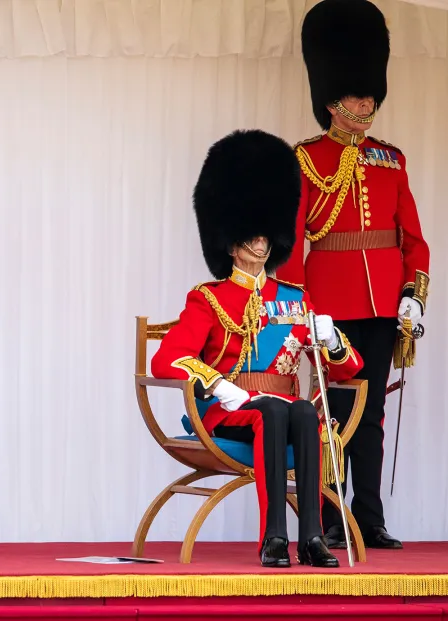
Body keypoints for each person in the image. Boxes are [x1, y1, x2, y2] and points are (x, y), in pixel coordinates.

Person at [151, 129, 364, 568]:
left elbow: (346, 370)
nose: (262, 243)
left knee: (302, 410)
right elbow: (167, 358)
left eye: (266, 234)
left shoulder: (293, 298)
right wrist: (219, 385)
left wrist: (331, 339)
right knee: (272, 410)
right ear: (231, 244)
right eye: (252, 235)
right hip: (230, 410)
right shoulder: (208, 298)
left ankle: (311, 538)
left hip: (282, 410)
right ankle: (272, 538)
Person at [276, 0, 430, 550]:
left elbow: (412, 238)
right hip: (331, 307)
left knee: (374, 416)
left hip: (384, 304)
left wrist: (413, 294)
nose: (366, 101)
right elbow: (293, 243)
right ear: (331, 98)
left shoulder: (391, 159)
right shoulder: (306, 159)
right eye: (355, 92)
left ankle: (369, 518)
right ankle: (327, 517)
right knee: (333, 416)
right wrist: (305, 308)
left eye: (370, 93)